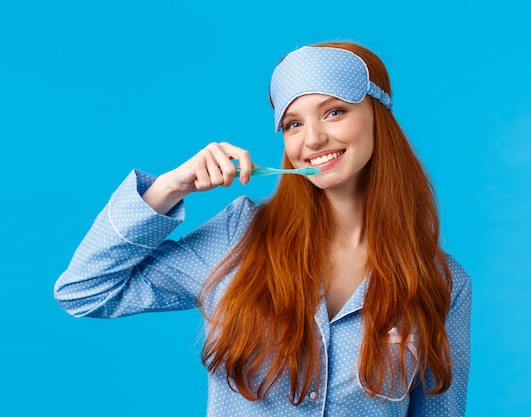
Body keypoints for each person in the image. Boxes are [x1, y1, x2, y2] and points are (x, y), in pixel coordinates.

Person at [54, 41, 471, 416]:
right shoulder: (240, 235)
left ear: (378, 117)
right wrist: (167, 188)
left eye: (334, 112)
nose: (314, 139)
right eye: (294, 124)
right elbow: (85, 291)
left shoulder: (443, 283)